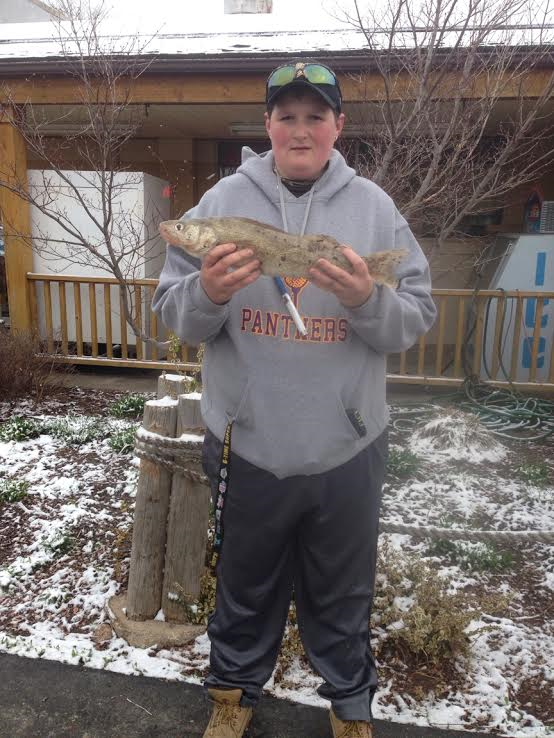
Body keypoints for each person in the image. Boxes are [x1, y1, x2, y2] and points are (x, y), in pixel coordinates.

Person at [152, 59, 436, 738]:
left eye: (316, 116)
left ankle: (350, 707)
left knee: (342, 590)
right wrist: (208, 292)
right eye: (287, 116)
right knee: (244, 585)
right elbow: (174, 315)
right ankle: (231, 699)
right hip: (247, 442)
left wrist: (366, 298)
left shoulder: (375, 209)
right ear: (268, 124)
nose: (300, 129)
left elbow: (413, 321)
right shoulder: (221, 204)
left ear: (339, 125)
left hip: (348, 447)